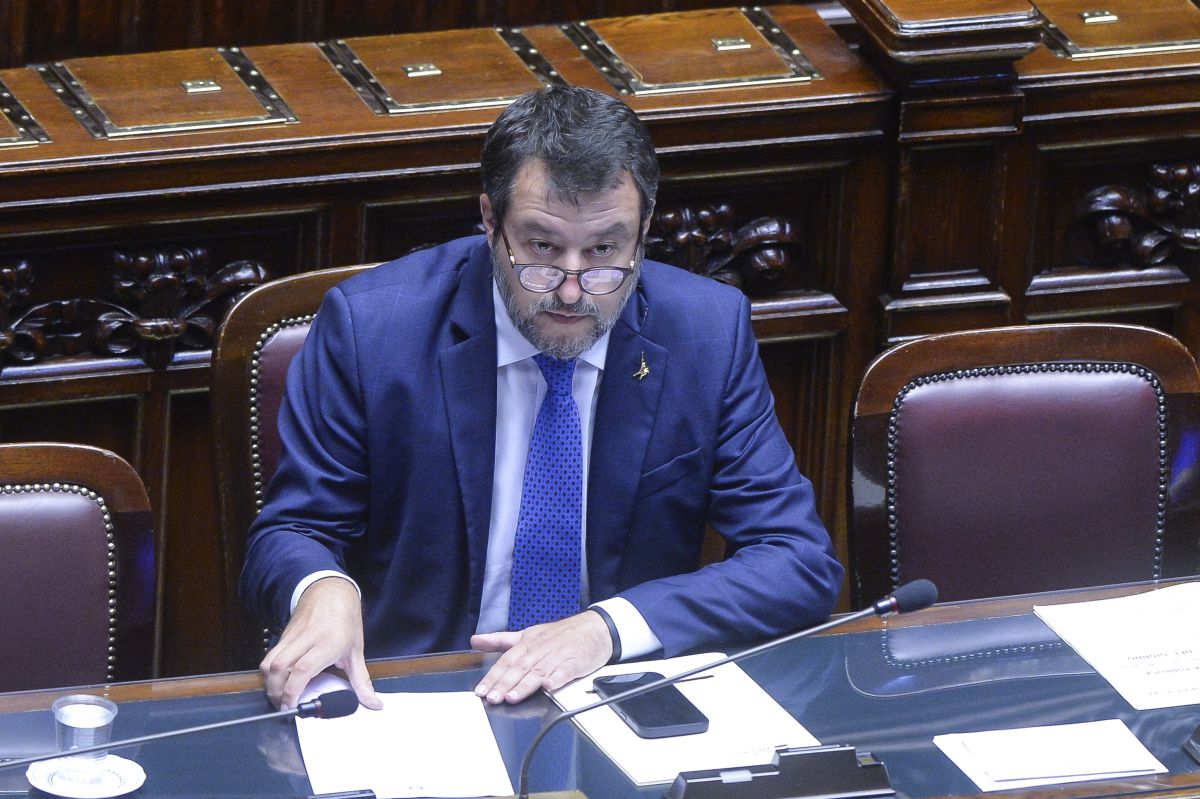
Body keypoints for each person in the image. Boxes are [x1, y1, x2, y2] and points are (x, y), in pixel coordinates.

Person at [240, 85, 843, 711]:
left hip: (616, 694)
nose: (572, 290)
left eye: (604, 251)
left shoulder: (705, 334)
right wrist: (323, 586)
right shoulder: (374, 331)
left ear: (643, 232)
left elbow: (796, 559)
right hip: (418, 701)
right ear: (490, 221)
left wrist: (608, 628)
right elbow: (293, 529)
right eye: (542, 249)